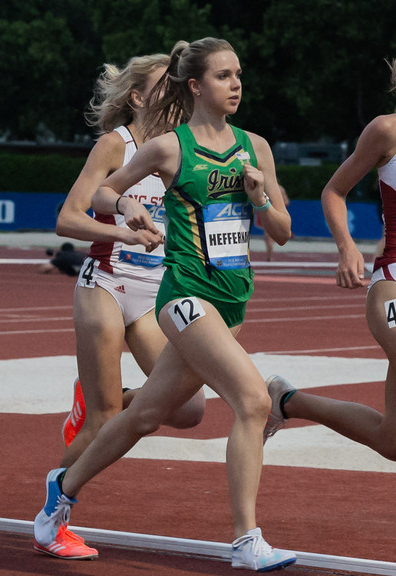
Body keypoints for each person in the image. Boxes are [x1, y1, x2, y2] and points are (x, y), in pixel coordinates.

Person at [33, 38, 298, 572]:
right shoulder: (168, 148)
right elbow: (103, 195)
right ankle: (247, 540)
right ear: (196, 86)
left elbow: (284, 232)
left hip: (232, 300)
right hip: (183, 296)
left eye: (239, 74)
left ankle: (61, 490)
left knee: (149, 413)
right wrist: (127, 205)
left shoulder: (256, 147)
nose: (237, 84)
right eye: (224, 76)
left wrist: (260, 196)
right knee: (251, 400)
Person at [46, 53, 207, 558]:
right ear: (137, 97)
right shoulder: (117, 144)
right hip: (106, 283)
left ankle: (102, 395)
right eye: (166, 86)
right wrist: (124, 231)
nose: (178, 94)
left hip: (153, 292)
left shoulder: (180, 149)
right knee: (105, 419)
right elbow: (68, 220)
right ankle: (54, 512)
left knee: (188, 408)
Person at [265, 58, 396, 486]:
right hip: (393, 284)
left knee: (392, 442)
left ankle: (286, 401)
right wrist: (346, 248)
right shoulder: (386, 130)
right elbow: (335, 190)